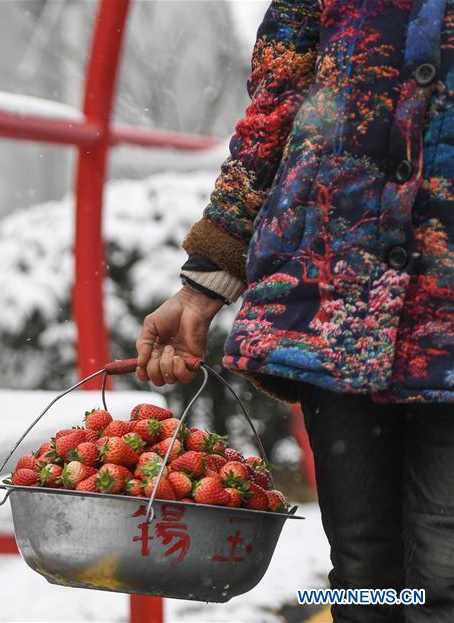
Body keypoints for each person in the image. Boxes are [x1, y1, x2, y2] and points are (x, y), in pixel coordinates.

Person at [135, 1, 453, 621]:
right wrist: (205, 282)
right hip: (333, 299)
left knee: (443, 573)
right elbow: (273, 116)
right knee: (363, 567)